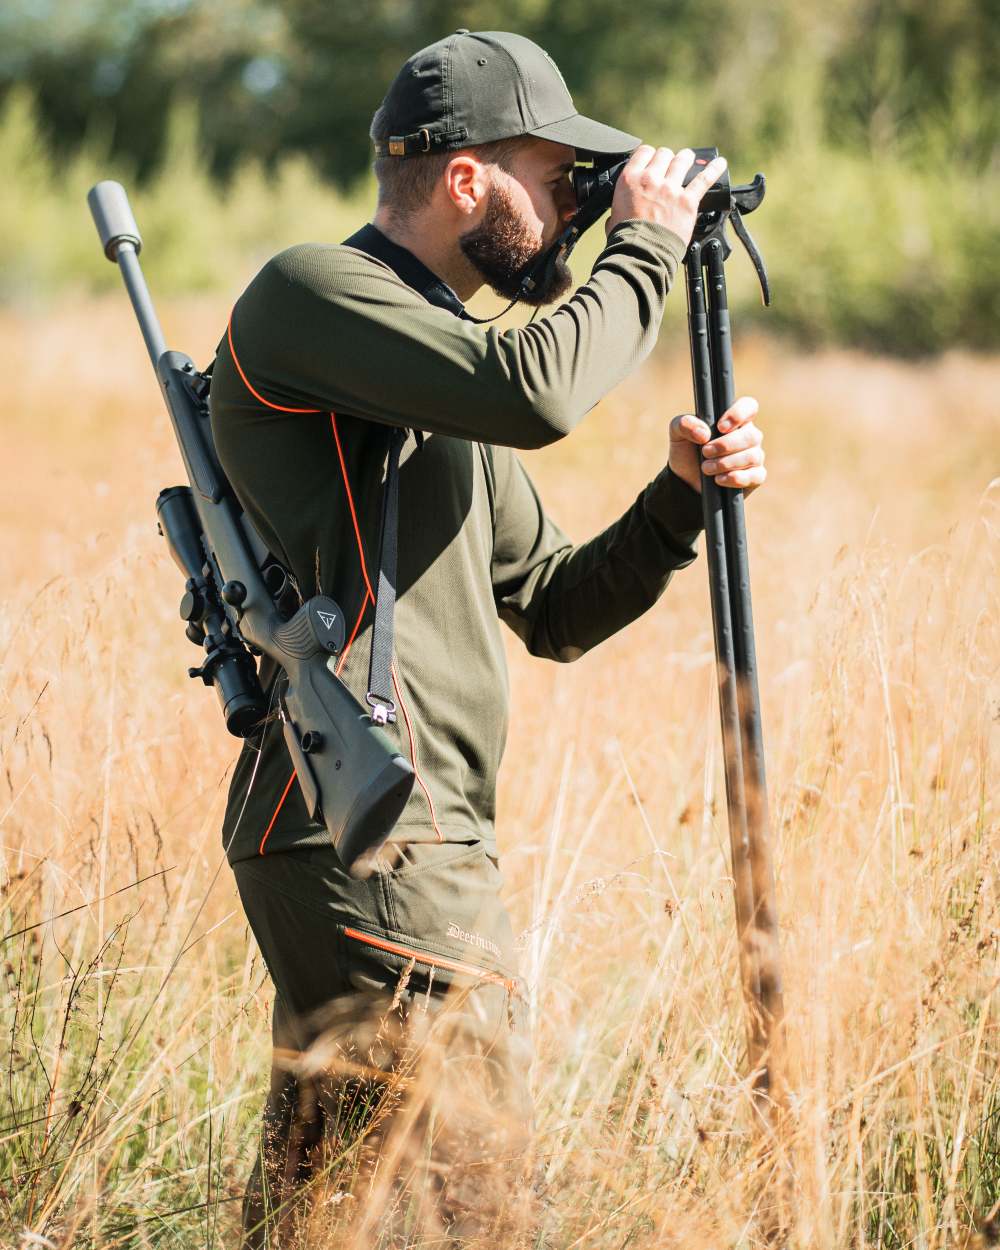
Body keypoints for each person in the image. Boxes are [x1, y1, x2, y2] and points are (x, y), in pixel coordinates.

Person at [208, 28, 767, 1247]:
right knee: (481, 1210)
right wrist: (646, 243)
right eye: (555, 179)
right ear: (465, 179)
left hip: (393, 826)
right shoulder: (311, 293)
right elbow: (540, 392)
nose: (572, 210)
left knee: (322, 1219)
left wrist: (679, 499)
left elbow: (554, 603)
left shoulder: (431, 370)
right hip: (372, 819)